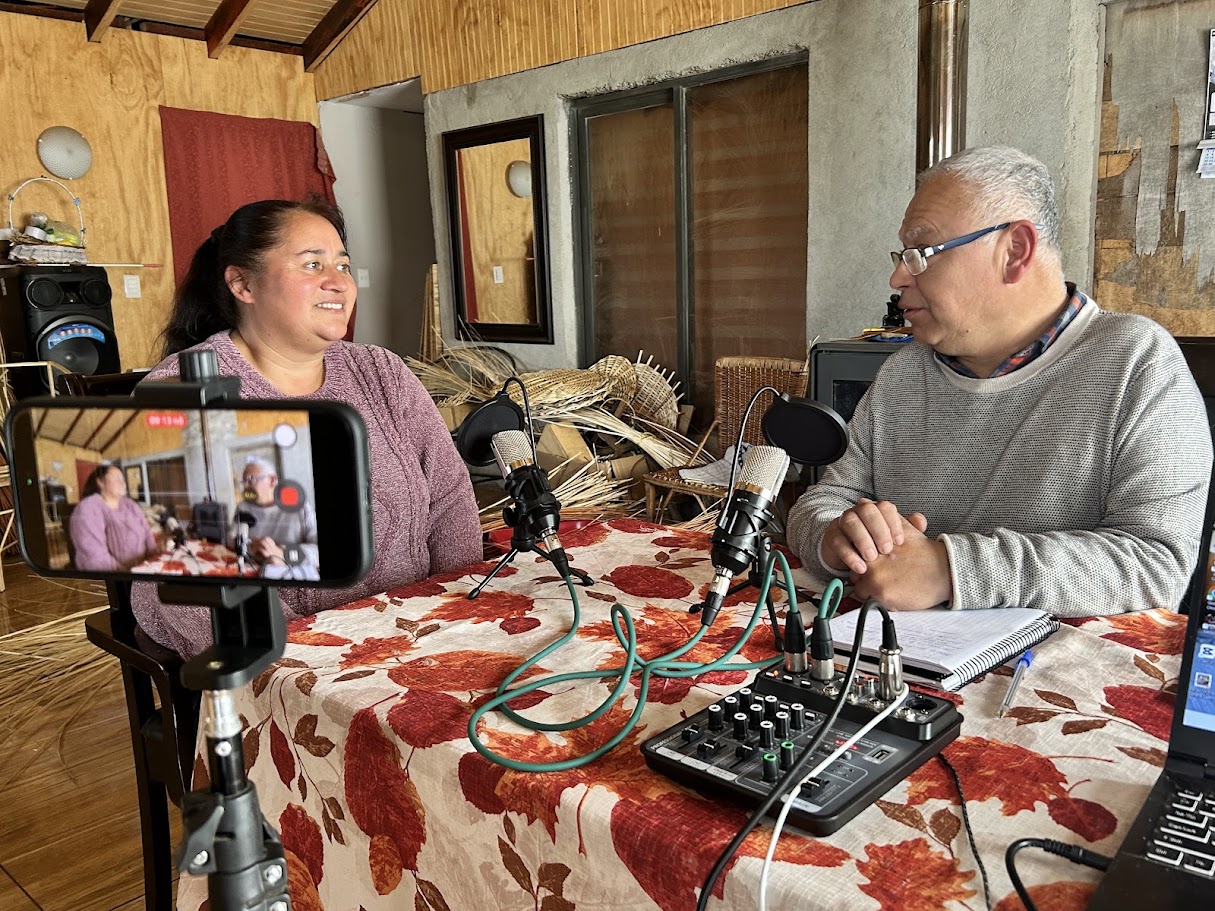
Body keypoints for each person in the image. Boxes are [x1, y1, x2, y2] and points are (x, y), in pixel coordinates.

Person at [787, 146, 1213, 617]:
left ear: (1015, 250)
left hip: (1051, 677)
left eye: (920, 253)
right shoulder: (904, 374)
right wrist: (837, 539)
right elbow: (826, 499)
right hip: (889, 667)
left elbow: (1159, 564)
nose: (897, 277)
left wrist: (949, 569)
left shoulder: (1137, 362)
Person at [131, 199, 482, 656]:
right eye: (313, 264)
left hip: (420, 630)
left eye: (343, 264)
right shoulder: (184, 393)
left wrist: (458, 608)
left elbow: (449, 496)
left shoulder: (381, 371)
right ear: (242, 283)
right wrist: (314, 657)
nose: (338, 282)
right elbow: (189, 580)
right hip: (283, 655)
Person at [233, 455, 319, 581]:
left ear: (272, 480)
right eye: (243, 482)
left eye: (251, 480)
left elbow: (317, 549)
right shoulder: (243, 507)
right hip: (254, 577)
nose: (246, 487)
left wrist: (282, 554)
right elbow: (231, 539)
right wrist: (251, 548)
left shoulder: (300, 507)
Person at [70, 463, 159, 571]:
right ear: (101, 482)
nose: (123, 483)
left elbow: (147, 534)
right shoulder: (89, 508)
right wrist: (127, 575)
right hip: (113, 579)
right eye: (117, 479)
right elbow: (95, 556)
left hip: (143, 571)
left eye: (123, 479)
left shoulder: (130, 505)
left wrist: (154, 561)